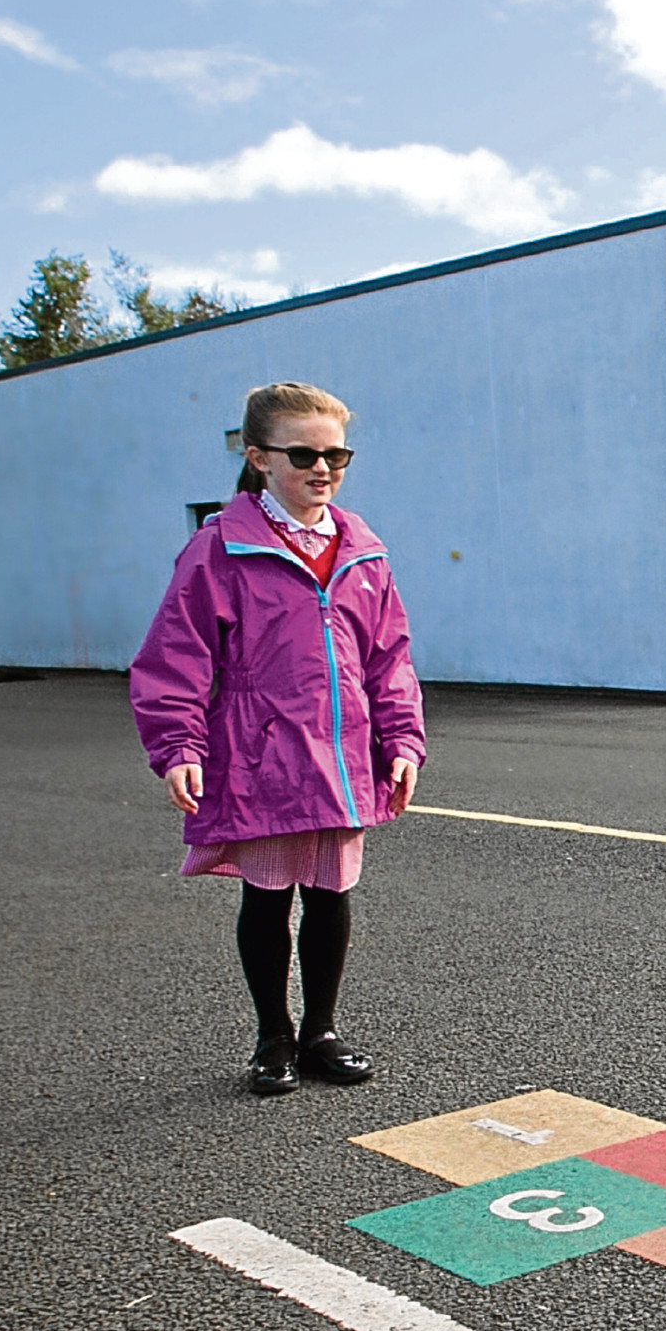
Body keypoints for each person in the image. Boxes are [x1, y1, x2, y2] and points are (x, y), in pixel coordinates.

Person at [130, 381, 425, 1098]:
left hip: (343, 755)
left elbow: (389, 655)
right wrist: (180, 747)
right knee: (267, 899)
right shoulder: (218, 550)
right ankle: (272, 1037)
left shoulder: (363, 551)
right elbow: (177, 655)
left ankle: (320, 1030)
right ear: (259, 457)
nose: (322, 468)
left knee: (330, 895)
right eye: (303, 454)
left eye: (336, 454)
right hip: (260, 755)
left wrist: (403, 740)